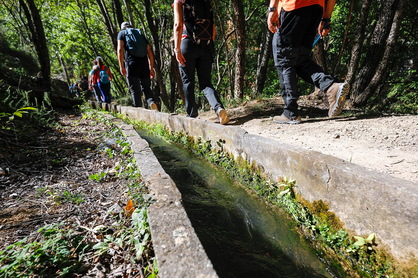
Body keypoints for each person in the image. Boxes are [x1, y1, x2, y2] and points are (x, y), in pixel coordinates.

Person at [267, 0, 349, 124]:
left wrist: (272, 9)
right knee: (300, 59)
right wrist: (326, 18)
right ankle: (331, 87)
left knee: (284, 58)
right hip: (316, 9)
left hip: (292, 6)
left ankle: (290, 112)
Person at [173, 0, 229, 125]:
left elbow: (178, 25)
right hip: (206, 45)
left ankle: (192, 115)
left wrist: (177, 49)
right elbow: (213, 30)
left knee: (188, 81)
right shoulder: (206, 3)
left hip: (187, 44)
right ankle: (219, 108)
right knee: (206, 83)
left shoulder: (180, 1)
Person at [117, 22, 159, 110]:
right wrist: (151, 67)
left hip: (131, 64)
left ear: (122, 28)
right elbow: (149, 52)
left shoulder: (122, 33)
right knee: (146, 87)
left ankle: (139, 109)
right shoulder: (139, 33)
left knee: (135, 89)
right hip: (144, 64)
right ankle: (151, 102)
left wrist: (122, 66)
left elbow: (120, 49)